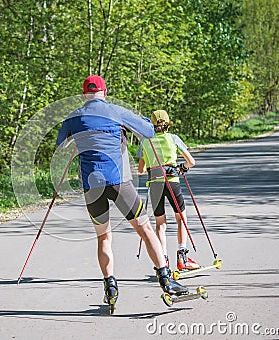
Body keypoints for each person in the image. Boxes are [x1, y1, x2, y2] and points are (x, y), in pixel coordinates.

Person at [56, 76, 188, 310]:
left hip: (91, 185)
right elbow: (148, 131)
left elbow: (61, 146)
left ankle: (110, 286)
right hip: (119, 182)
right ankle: (166, 280)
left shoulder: (73, 117)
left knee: (104, 237)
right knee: (146, 229)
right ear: (104, 92)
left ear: (83, 94)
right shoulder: (116, 111)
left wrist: (80, 139)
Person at [137, 109, 200, 271]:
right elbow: (191, 162)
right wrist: (181, 168)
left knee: (160, 223)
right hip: (172, 182)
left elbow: (141, 170)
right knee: (181, 219)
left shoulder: (145, 142)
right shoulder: (173, 139)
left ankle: (163, 260)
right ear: (167, 123)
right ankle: (182, 257)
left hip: (155, 184)